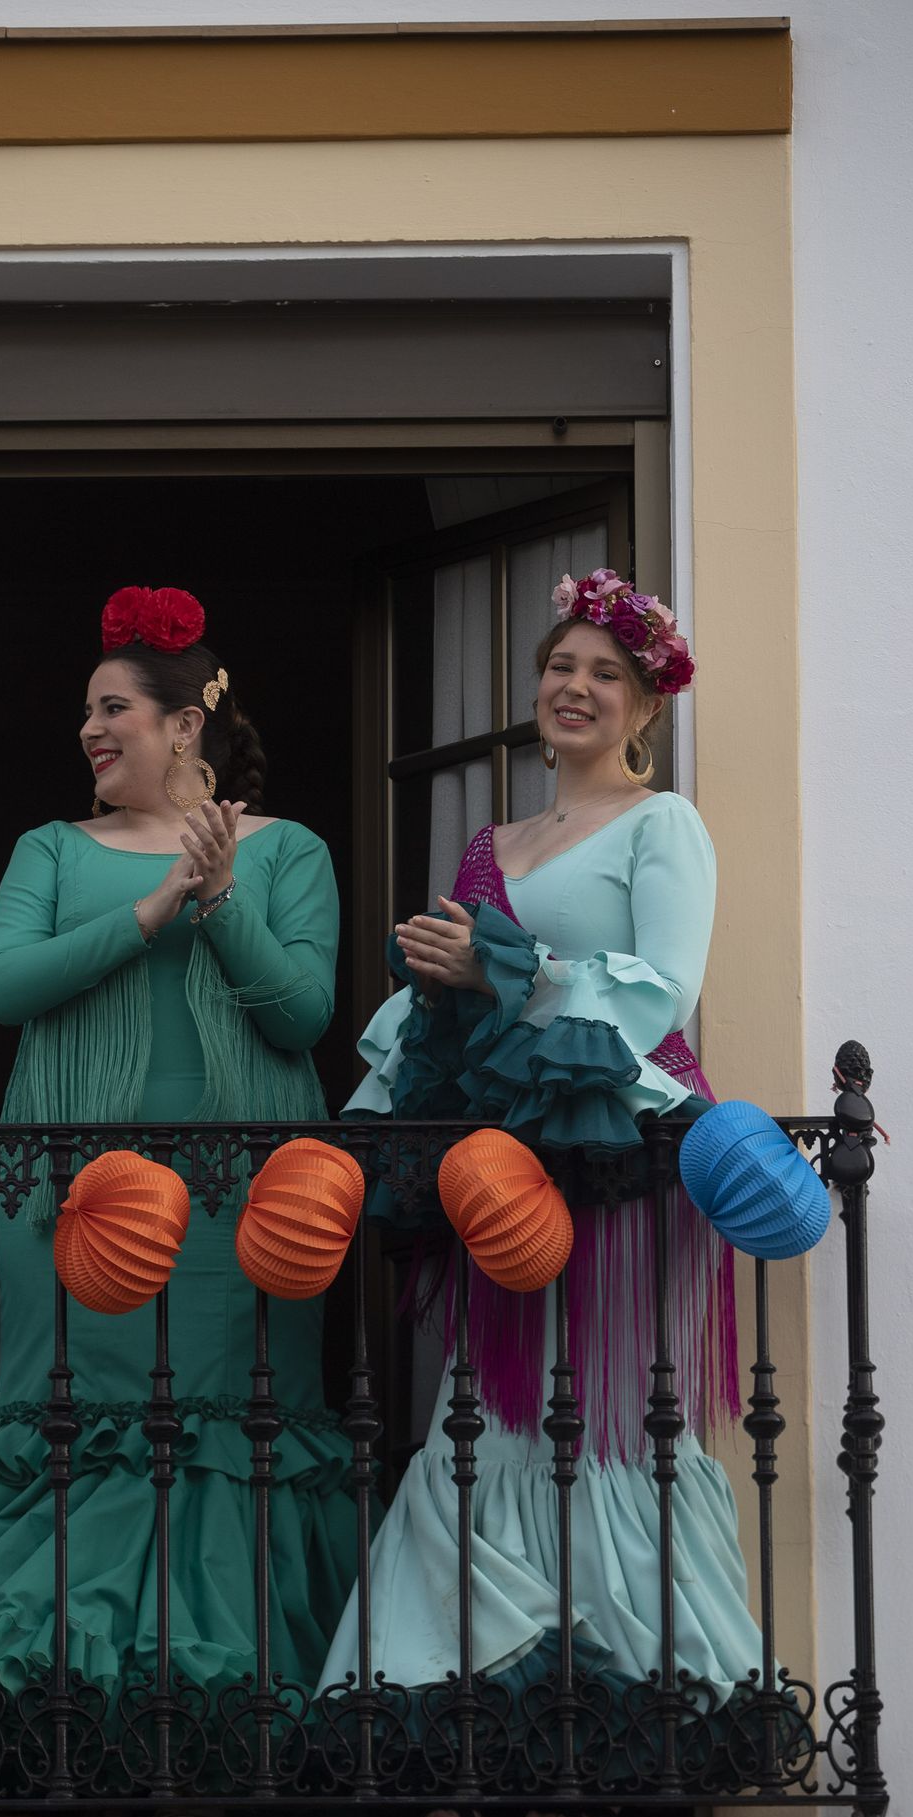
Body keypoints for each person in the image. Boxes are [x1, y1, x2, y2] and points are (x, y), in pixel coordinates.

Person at [318, 572, 765, 1747]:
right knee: (493, 1413)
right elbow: (454, 1011)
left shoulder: (663, 824)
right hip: (502, 1160)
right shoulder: (491, 841)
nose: (575, 688)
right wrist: (431, 1005)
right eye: (559, 667)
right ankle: (473, 1700)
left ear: (643, 705)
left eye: (604, 674)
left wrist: (504, 971)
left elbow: (664, 988)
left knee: (610, 1416)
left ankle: (643, 1708)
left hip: (622, 1149)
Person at [0, 586, 358, 1715]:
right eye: (87, 715)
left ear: (184, 723)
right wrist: (152, 909)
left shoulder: (288, 850)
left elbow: (302, 1016)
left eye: (113, 710)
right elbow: (2, 987)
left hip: (246, 1202)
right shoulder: (51, 849)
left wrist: (219, 902)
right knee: (74, 1430)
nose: (90, 731)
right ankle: (46, 1723)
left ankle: (210, 1729)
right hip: (75, 1197)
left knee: (225, 1436)